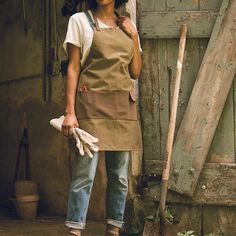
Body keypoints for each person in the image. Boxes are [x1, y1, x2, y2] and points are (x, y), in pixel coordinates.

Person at [62, 0, 142, 235]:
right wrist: (70, 112)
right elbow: (73, 68)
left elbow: (135, 72)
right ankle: (75, 229)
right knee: (84, 174)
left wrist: (134, 36)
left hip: (122, 109)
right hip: (91, 108)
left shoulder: (128, 26)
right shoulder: (79, 21)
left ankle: (113, 229)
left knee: (119, 177)